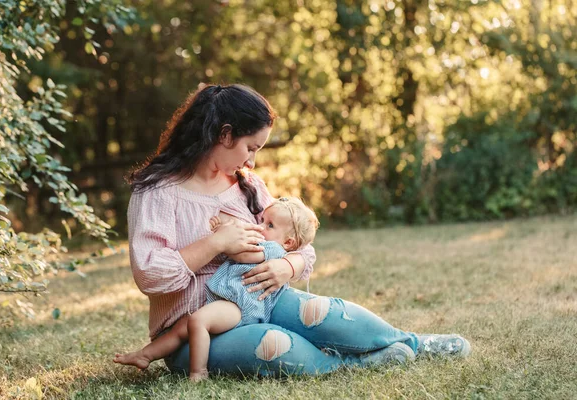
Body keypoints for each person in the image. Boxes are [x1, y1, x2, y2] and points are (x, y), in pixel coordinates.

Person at [122, 83, 471, 378]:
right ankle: (350, 365)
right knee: (272, 342)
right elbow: (151, 276)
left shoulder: (247, 185)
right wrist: (215, 242)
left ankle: (412, 342)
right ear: (224, 134)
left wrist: (286, 266)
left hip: (263, 301)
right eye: (250, 148)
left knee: (322, 313)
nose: (252, 162)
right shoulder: (156, 193)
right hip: (195, 332)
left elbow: (299, 244)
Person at [114, 197, 320, 381]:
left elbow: (241, 254)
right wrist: (224, 230)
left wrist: (225, 237)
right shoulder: (265, 240)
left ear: (288, 241)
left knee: (198, 321)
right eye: (262, 220)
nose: (260, 226)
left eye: (270, 225)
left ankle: (198, 372)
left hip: (241, 307)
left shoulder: (274, 249)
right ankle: (145, 355)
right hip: (226, 301)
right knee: (182, 327)